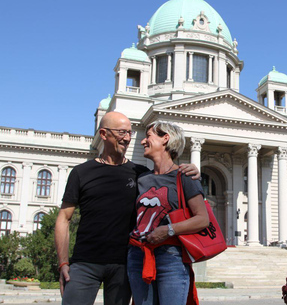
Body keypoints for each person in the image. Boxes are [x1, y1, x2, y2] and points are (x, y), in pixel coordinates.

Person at [54, 112, 199, 305]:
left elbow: (166, 179)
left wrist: (191, 170)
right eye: (122, 132)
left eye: (130, 132)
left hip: (124, 264)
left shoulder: (141, 174)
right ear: (104, 134)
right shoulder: (81, 172)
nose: (129, 138)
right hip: (85, 262)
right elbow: (63, 218)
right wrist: (63, 262)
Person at [127, 120, 209, 305]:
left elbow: (202, 219)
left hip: (171, 257)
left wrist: (168, 230)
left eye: (148, 136)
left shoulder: (184, 176)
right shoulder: (141, 178)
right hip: (139, 255)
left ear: (165, 139)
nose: (142, 141)